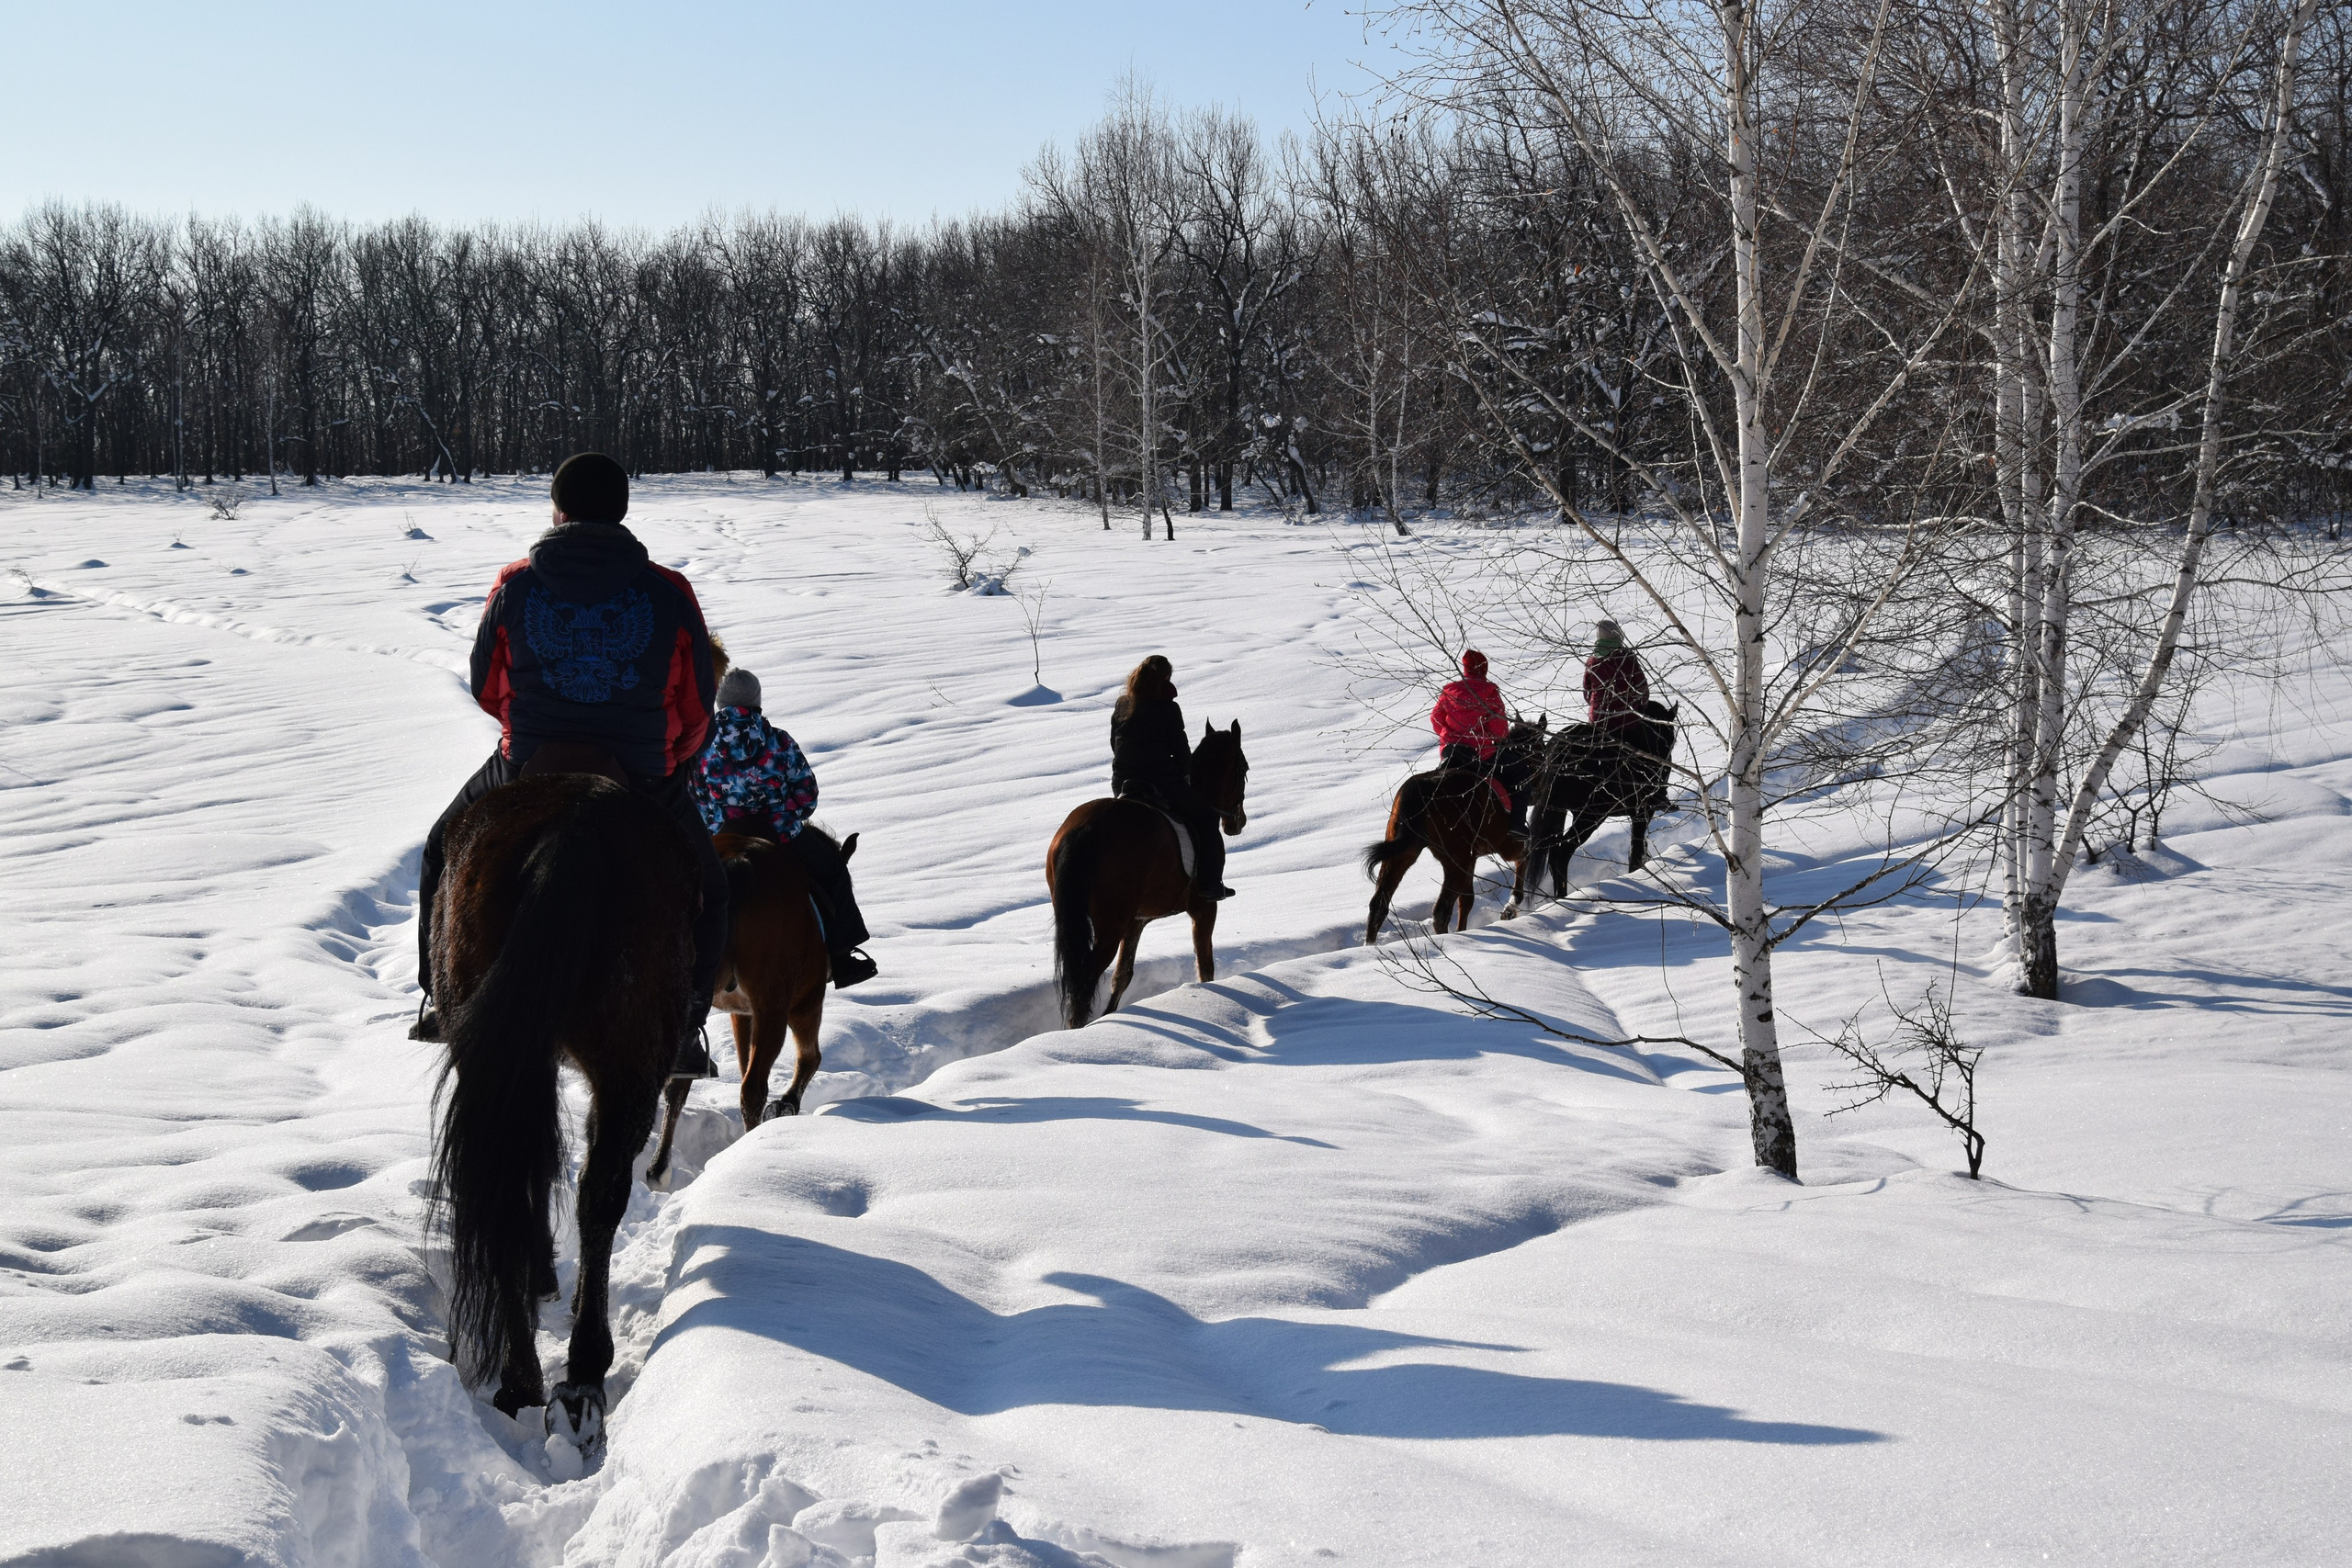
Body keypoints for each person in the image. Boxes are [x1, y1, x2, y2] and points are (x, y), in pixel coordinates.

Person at [409, 452, 729, 1081]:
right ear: (623, 511)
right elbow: (698, 700)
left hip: (531, 762)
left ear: (557, 510)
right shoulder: (669, 591)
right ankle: (688, 1023)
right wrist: (674, 760)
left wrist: (526, 733)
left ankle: (438, 997)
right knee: (710, 886)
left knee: (442, 846)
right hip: (639, 770)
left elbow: (485, 683)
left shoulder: (515, 583)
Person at [696, 663, 879, 987]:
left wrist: (717, 821)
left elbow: (695, 799)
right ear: (757, 702)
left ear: (719, 704)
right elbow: (807, 795)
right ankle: (841, 956)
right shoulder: (778, 741)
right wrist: (784, 814)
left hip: (722, 836)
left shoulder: (702, 744)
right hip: (781, 836)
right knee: (833, 870)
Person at [1110, 654, 1233, 900]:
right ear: (1164, 678)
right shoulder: (1168, 708)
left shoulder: (1122, 705)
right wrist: (1183, 777)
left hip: (1123, 783)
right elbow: (1181, 751)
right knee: (1207, 817)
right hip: (1162, 783)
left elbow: (1115, 744)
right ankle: (1210, 884)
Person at [1430, 649, 1508, 771]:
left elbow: (1436, 717)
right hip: (1480, 750)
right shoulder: (1489, 692)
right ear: (1484, 669)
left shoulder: (1450, 691)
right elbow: (1498, 727)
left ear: (1465, 668)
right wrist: (1497, 738)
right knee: (1517, 771)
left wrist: (1448, 734)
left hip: (1449, 749)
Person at [1584, 619, 1650, 730]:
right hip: (1627, 718)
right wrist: (1643, 706)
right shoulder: (1627, 657)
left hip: (1598, 719)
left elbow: (1587, 694)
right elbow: (1642, 687)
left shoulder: (1592, 662)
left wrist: (1597, 706)